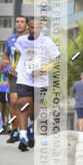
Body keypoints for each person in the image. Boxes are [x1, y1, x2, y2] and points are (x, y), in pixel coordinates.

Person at [14, 18, 60, 152]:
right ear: (28, 28)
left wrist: (43, 70)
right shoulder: (21, 40)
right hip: (24, 78)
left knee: (35, 112)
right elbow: (17, 54)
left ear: (41, 29)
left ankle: (30, 126)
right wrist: (13, 67)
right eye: (32, 28)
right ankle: (22, 138)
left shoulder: (47, 42)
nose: (34, 31)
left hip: (41, 81)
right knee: (24, 106)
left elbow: (57, 60)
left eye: (37, 28)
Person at [4, 16, 28, 143]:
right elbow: (6, 54)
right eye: (17, 22)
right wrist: (6, 62)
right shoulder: (10, 39)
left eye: (22, 22)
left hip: (28, 76)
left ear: (26, 25)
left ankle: (26, 129)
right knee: (13, 101)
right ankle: (14, 131)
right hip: (13, 74)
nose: (19, 24)